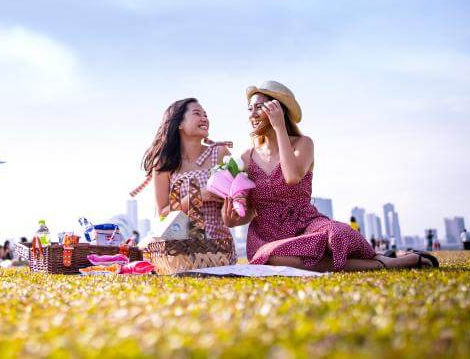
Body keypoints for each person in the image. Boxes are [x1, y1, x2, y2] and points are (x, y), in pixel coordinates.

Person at [223, 81, 437, 271]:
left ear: (278, 109)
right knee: (271, 256)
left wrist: (279, 127)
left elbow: (292, 177)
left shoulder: (304, 144)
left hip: (305, 225)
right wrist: (233, 219)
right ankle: (387, 263)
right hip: (267, 236)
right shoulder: (246, 158)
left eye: (259, 108)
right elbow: (248, 211)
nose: (252, 114)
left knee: (337, 233)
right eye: (250, 109)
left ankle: (382, 258)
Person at [139, 98, 238, 262]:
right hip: (178, 249)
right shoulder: (164, 163)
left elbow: (234, 198)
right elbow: (162, 213)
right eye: (197, 114)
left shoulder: (220, 153)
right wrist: (196, 196)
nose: (204, 118)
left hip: (218, 248)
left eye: (206, 115)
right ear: (179, 123)